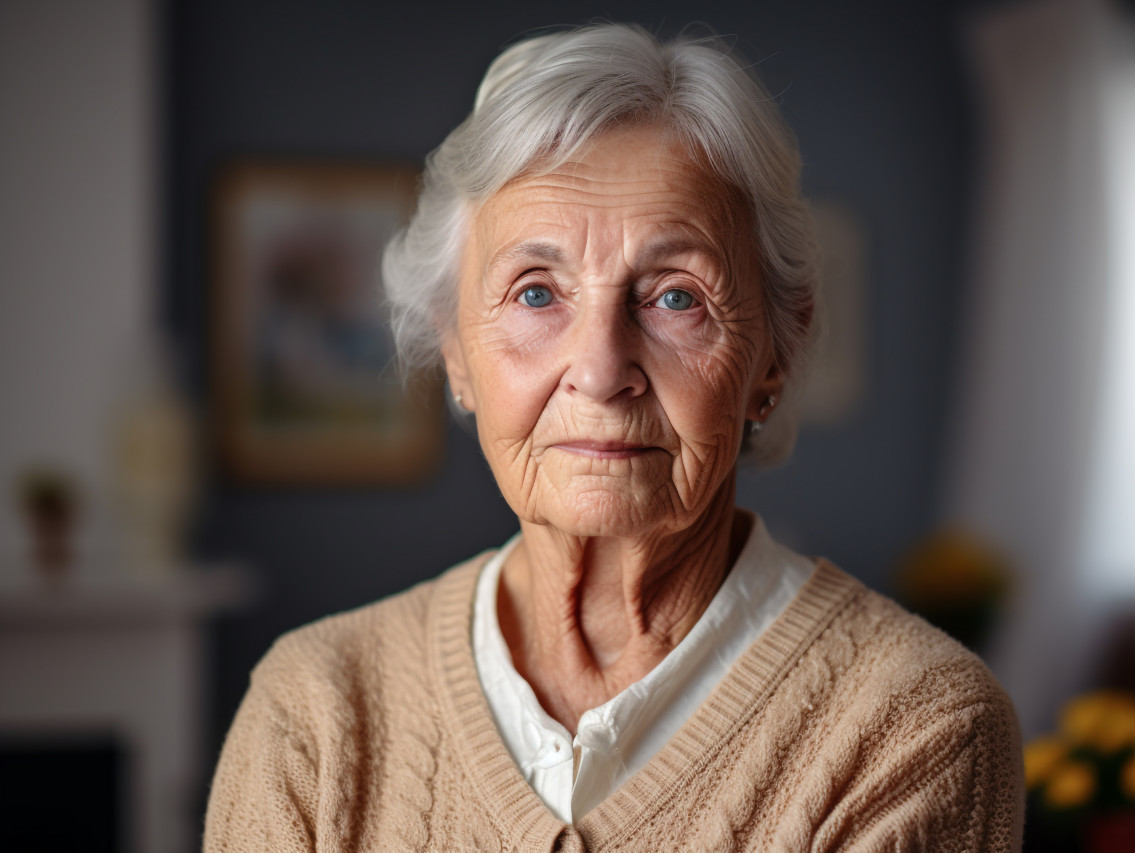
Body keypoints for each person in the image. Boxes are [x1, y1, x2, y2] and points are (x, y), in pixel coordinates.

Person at [204, 23, 1024, 852]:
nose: (600, 370)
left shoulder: (917, 724)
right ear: (455, 351)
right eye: (535, 294)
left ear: (775, 353)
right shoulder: (312, 712)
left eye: (676, 297)